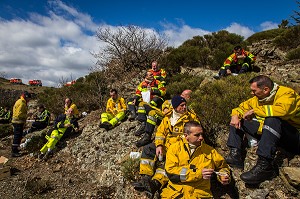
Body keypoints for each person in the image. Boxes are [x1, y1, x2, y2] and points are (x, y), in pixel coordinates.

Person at [226, 75, 300, 184]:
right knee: (237, 120)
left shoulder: (287, 94)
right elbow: (241, 108)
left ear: (266, 89)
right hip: (274, 134)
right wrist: (235, 115)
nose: (252, 93)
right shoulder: (258, 98)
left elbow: (282, 110)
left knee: (273, 119)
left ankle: (265, 165)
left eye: (254, 91)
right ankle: (235, 154)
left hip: (294, 137)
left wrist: (254, 111)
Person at [132, 95, 200, 198]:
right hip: (167, 145)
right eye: (182, 105)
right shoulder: (168, 117)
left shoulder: (191, 118)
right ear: (175, 107)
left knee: (169, 165)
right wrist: (159, 145)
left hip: (180, 149)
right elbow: (160, 132)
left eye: (185, 105)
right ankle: (145, 178)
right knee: (148, 149)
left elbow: (195, 134)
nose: (185, 107)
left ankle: (155, 183)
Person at [161, 121, 230, 198]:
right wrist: (198, 174)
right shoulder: (174, 149)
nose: (201, 138)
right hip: (176, 194)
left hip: (200, 195)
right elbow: (171, 173)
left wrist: (224, 176)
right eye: (197, 135)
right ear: (186, 136)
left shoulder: (210, 151)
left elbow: (223, 167)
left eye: (201, 134)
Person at [11, 91, 31, 157]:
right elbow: (19, 114)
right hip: (18, 122)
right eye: (29, 99)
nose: (29, 100)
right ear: (26, 97)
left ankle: (15, 149)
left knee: (18, 136)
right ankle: (14, 151)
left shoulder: (19, 101)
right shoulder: (22, 103)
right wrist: (26, 116)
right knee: (17, 136)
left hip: (17, 121)